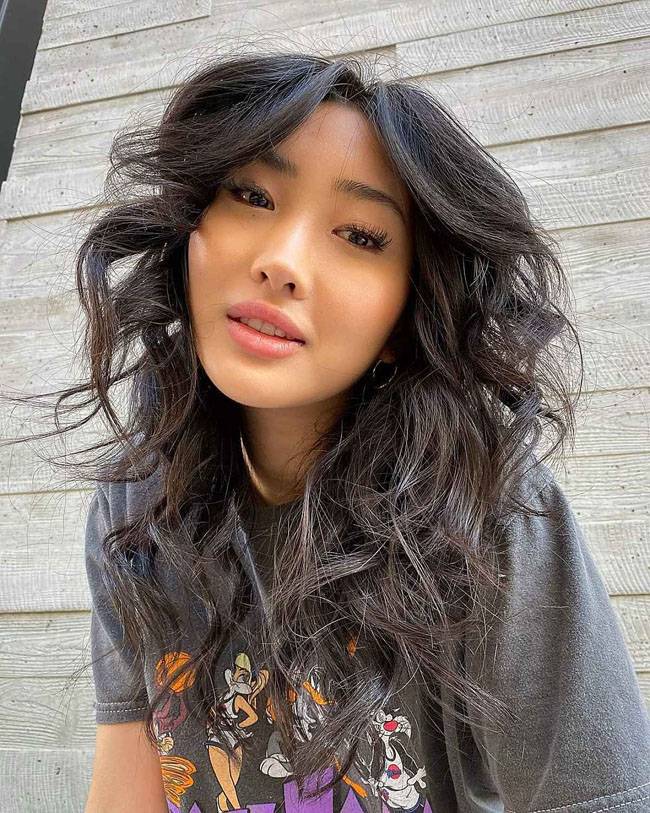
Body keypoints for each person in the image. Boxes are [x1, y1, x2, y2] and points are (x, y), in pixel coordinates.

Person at [11, 50, 650, 811]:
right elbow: (128, 789)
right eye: (252, 195)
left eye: (361, 236)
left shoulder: (490, 513)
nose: (281, 261)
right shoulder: (138, 501)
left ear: (403, 319)